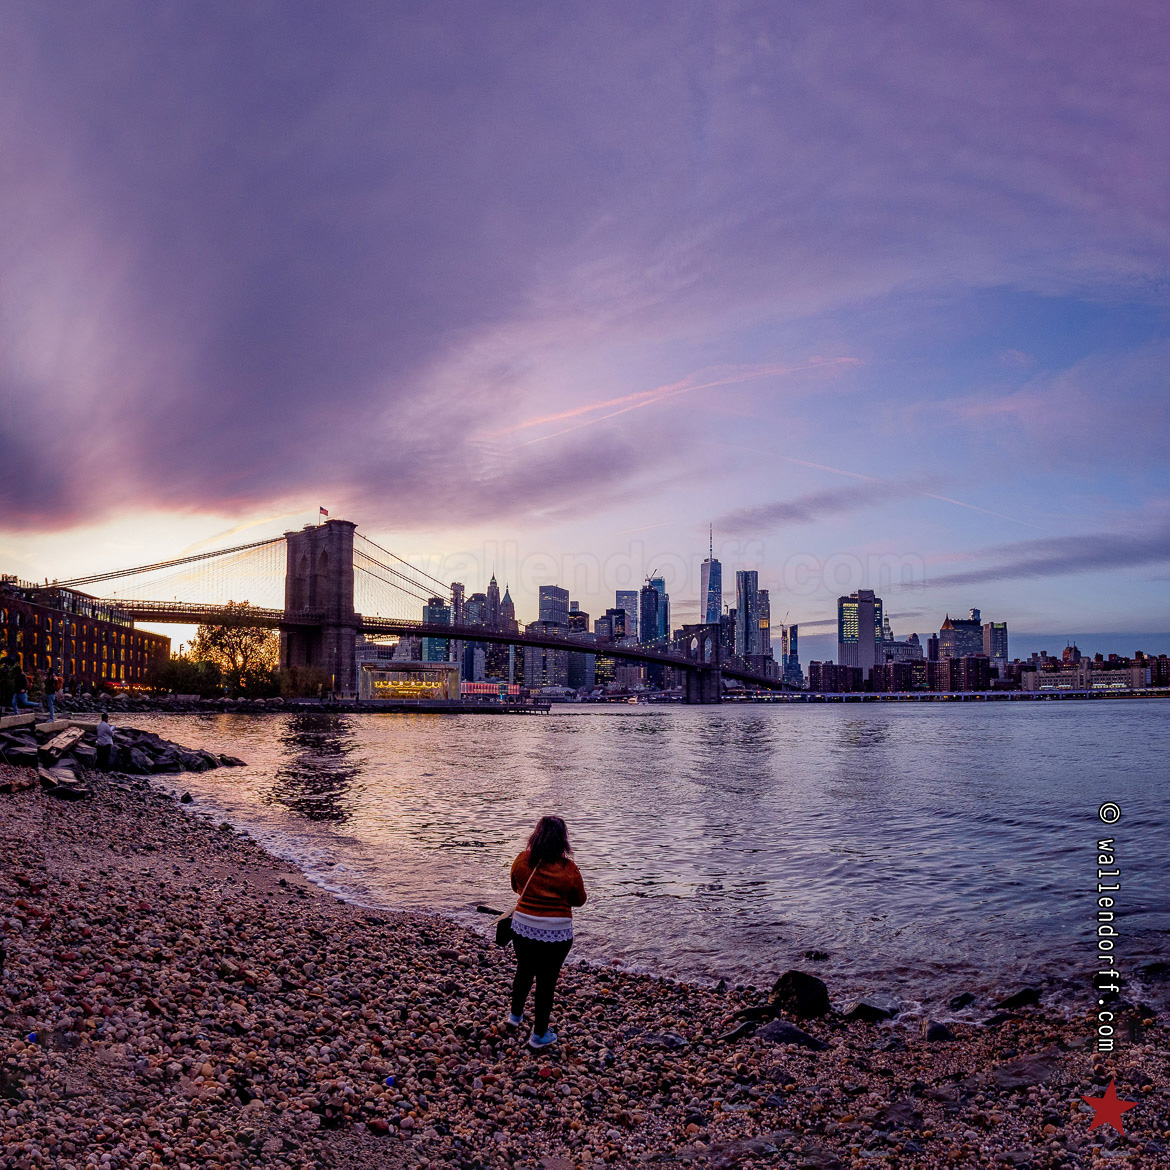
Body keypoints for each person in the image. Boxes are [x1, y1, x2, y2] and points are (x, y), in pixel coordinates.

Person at [507, 815, 587, 1050]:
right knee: (546, 982)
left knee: (523, 970)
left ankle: (514, 1016)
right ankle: (539, 1034)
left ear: (536, 835)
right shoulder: (569, 869)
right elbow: (579, 900)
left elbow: (515, 887)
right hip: (556, 933)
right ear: (563, 840)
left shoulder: (522, 860)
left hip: (523, 926)